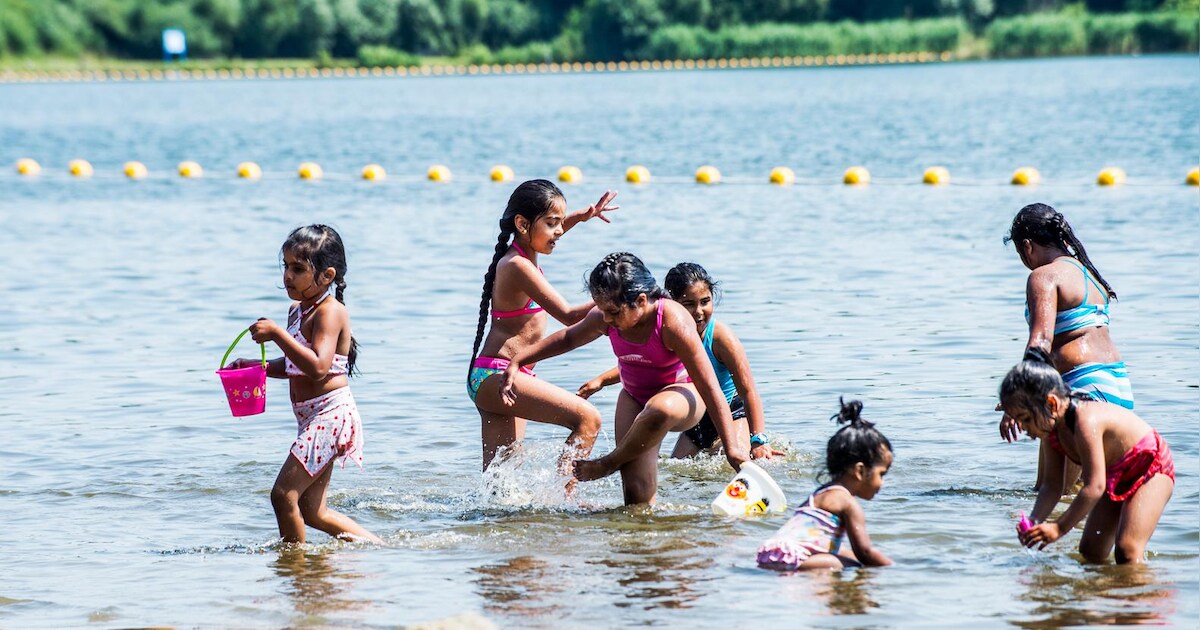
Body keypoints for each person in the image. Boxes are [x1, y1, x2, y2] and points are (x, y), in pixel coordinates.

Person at [498, 252, 749, 505]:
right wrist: (518, 360)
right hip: (634, 398)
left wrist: (732, 449)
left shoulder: (673, 321)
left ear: (641, 300)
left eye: (614, 312)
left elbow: (710, 386)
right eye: (603, 310)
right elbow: (568, 338)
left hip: (683, 395)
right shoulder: (605, 318)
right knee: (637, 497)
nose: (606, 319)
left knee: (659, 408)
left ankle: (609, 462)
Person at [226, 225, 381, 544]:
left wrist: (277, 335)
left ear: (327, 276)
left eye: (298, 269)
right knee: (312, 511)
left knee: (284, 495)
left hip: (330, 416)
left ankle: (296, 565)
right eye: (285, 266)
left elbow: (318, 367)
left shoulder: (330, 312)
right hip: (312, 418)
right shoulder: (297, 311)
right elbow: (295, 365)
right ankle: (378, 547)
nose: (287, 276)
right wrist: (257, 366)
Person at [469, 180, 619, 470]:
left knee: (501, 481)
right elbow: (569, 315)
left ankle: (518, 504)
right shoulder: (517, 265)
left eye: (561, 223)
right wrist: (617, 297)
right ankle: (566, 492)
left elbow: (547, 233)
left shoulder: (525, 254)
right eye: (552, 223)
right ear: (522, 224)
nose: (559, 231)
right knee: (588, 418)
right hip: (498, 374)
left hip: (495, 376)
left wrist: (579, 217)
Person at [576, 262, 779, 460]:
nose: (698, 312)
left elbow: (748, 391)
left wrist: (758, 439)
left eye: (705, 301)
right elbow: (642, 366)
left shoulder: (721, 339)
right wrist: (601, 380)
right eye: (689, 304)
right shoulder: (669, 331)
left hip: (730, 413)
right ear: (672, 304)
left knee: (734, 458)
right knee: (676, 467)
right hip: (696, 420)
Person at [1001, 348, 1173, 564]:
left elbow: (1094, 487)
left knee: (1127, 550)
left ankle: (1143, 585)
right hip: (1116, 473)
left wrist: (1059, 528)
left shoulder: (1085, 421)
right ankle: (1104, 586)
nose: (1024, 429)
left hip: (1151, 467)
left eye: (1025, 419)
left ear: (1052, 404)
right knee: (1091, 551)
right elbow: (1051, 486)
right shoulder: (1052, 432)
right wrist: (1035, 521)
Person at [756, 398, 893, 571]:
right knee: (856, 566)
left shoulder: (821, 493)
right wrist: (893, 568)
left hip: (771, 554)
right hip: (793, 559)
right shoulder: (848, 503)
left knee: (844, 556)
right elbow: (865, 551)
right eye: (881, 474)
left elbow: (829, 546)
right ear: (859, 471)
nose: (882, 482)